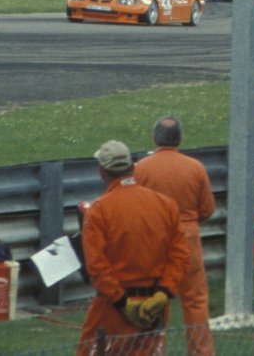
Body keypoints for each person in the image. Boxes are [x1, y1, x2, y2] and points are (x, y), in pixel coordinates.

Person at [76, 140, 190, 356]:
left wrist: (122, 303)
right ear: (132, 167)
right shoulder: (165, 204)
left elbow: (97, 268)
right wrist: (164, 293)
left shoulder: (98, 211)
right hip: (154, 305)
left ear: (102, 172)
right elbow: (180, 257)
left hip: (113, 306)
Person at [134, 116, 216, 356]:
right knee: (195, 302)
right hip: (188, 236)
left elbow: (135, 208)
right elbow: (207, 209)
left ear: (154, 138)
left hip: (155, 238)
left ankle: (153, 351)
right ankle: (201, 352)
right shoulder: (195, 167)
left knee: (153, 298)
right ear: (180, 138)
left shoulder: (141, 168)